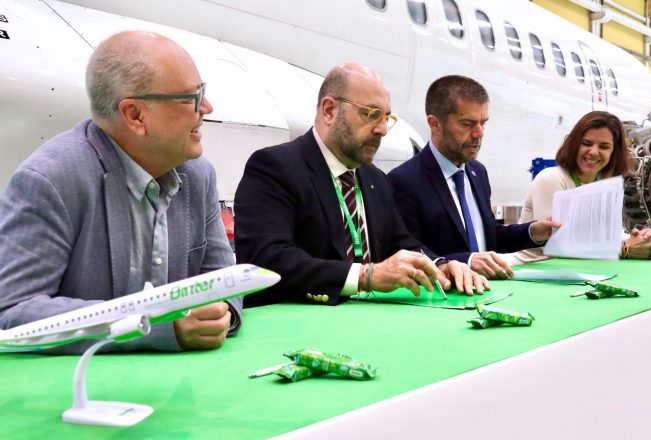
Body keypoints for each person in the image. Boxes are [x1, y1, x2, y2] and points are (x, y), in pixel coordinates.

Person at [0, 31, 241, 354]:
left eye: (203, 92)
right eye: (190, 98)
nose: (207, 108)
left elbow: (223, 281)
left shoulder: (198, 174)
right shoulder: (50, 180)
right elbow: (13, 312)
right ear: (135, 115)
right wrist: (154, 328)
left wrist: (220, 314)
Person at [234, 63, 488, 307]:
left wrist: (440, 266)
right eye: (372, 114)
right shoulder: (274, 167)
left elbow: (401, 243)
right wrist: (365, 276)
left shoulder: (375, 179)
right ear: (329, 110)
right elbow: (268, 260)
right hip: (295, 327)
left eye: (386, 117)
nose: (383, 129)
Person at [388, 75, 559, 279]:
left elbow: (489, 235)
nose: (479, 133)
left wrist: (532, 232)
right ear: (435, 124)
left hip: (488, 290)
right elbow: (407, 253)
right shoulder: (404, 180)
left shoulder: (477, 172)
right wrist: (467, 261)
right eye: (467, 124)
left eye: (483, 123)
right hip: (445, 295)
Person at [510, 110, 651, 264]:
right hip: (533, 268)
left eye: (604, 146)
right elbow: (555, 243)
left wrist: (643, 240)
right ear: (574, 145)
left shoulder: (604, 183)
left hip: (581, 269)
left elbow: (607, 236)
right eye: (586, 143)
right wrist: (624, 248)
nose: (593, 152)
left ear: (614, 152)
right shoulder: (551, 178)